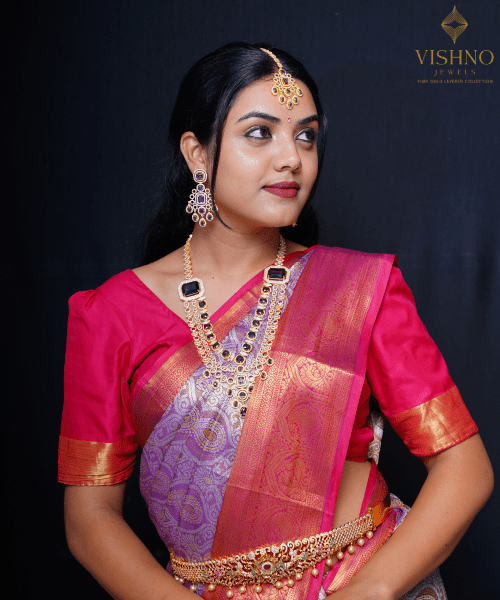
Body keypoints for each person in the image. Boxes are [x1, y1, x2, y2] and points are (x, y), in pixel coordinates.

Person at [58, 42, 493, 600]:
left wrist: (372, 590)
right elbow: (90, 518)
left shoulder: (358, 289)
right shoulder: (111, 314)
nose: (292, 158)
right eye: (260, 133)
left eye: (306, 136)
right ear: (197, 153)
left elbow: (465, 467)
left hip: (362, 578)